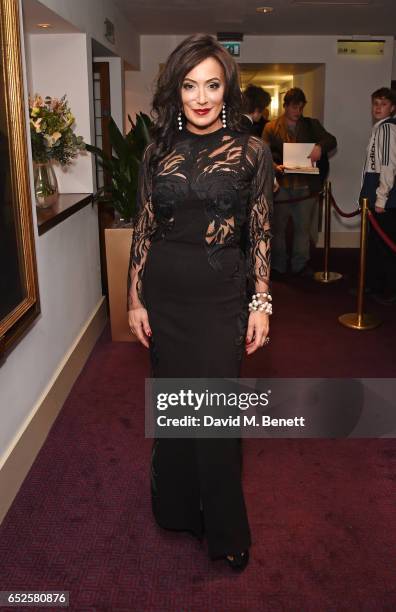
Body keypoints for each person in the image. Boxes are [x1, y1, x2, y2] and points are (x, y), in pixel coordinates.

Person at [127, 33, 273, 571]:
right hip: (165, 295)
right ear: (176, 90)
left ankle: (226, 528)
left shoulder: (252, 151)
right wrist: (134, 300)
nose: (202, 96)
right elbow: (145, 229)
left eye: (212, 84)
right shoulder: (155, 151)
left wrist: (262, 303)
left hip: (220, 299)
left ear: (227, 89)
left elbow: (259, 234)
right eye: (190, 85)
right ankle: (179, 509)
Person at [263, 87, 337, 277]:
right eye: (294, 108)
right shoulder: (271, 127)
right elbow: (263, 152)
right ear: (285, 106)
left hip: (305, 185)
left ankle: (299, 264)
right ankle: (278, 265)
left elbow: (331, 140)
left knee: (302, 228)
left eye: (301, 108)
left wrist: (320, 147)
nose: (298, 112)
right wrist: (274, 166)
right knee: (277, 229)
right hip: (281, 186)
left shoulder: (311, 124)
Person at [360, 87, 396, 304]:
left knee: (385, 246)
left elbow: (388, 166)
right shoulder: (381, 128)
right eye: (375, 104)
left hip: (386, 199)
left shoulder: (386, 129)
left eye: (383, 104)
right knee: (375, 244)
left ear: (392, 107)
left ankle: (388, 290)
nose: (378, 108)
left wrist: (381, 198)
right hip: (380, 196)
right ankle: (374, 285)